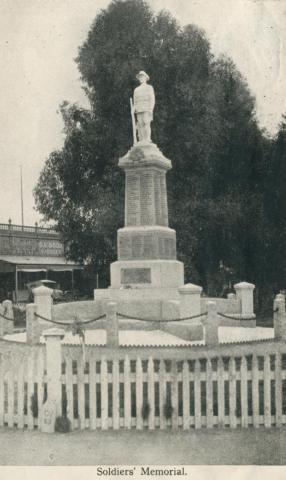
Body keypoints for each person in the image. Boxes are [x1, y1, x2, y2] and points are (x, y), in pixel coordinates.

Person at [133, 71, 155, 143]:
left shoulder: (149, 87)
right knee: (140, 124)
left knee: (146, 123)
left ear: (146, 78)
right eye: (140, 77)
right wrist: (133, 108)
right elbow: (135, 101)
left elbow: (152, 99)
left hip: (146, 108)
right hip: (139, 109)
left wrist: (151, 109)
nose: (141, 78)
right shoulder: (136, 90)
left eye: (142, 77)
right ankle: (142, 140)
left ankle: (148, 139)